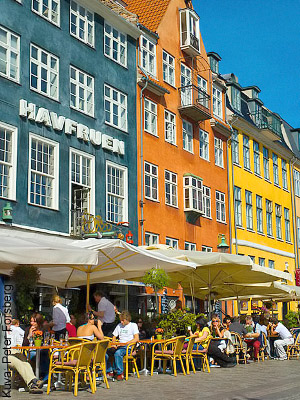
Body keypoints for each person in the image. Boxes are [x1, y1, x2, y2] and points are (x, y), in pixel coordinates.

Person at [6, 315, 43, 394]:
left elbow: (22, 343)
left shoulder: (15, 330)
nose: (8, 322)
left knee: (25, 362)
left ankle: (33, 381)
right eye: (6, 320)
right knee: (18, 363)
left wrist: (29, 336)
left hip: (15, 351)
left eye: (10, 320)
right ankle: (32, 383)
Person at [106, 310, 139, 380]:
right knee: (105, 352)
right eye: (121, 320)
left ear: (127, 319)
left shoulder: (133, 325)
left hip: (128, 347)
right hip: (119, 345)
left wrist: (127, 343)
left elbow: (136, 338)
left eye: (123, 320)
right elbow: (114, 336)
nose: (121, 322)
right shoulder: (119, 325)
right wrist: (113, 344)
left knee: (118, 353)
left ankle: (119, 373)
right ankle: (109, 370)